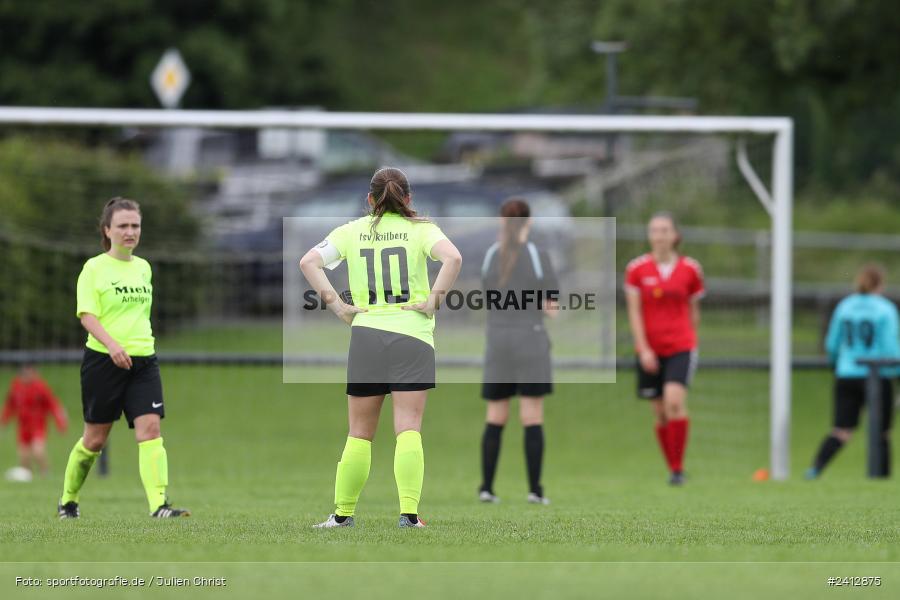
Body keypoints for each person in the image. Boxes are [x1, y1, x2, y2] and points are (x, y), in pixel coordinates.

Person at [299, 167, 461, 528]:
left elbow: (308, 261)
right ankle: (409, 516)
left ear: (370, 200)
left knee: (359, 432)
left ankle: (342, 515)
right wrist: (434, 301)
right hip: (412, 336)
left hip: (367, 336)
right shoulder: (422, 229)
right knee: (409, 428)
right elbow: (454, 258)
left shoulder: (352, 231)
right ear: (408, 198)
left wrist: (339, 307)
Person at [57, 197, 190, 519]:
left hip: (144, 362)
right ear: (107, 230)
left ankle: (159, 506)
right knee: (94, 440)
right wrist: (113, 345)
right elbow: (87, 315)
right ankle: (68, 500)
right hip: (104, 361)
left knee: (151, 430)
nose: (130, 232)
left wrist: (137, 345)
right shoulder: (94, 268)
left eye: (135, 225)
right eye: (123, 226)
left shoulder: (144, 268)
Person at [478, 199, 558, 505]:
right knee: (531, 417)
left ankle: (487, 488)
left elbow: (488, 300)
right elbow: (551, 309)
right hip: (530, 341)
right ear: (529, 222)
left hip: (498, 341)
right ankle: (535, 491)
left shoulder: (491, 256)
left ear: (502, 221)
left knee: (496, 416)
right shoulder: (538, 256)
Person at [625, 212, 704, 486]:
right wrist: (643, 348)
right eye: (654, 230)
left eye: (664, 230)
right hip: (650, 349)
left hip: (681, 346)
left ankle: (678, 469)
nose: (659, 236)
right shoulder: (637, 269)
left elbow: (694, 310)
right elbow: (634, 313)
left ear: (675, 235)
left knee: (674, 402)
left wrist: (690, 339)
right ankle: (672, 467)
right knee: (659, 411)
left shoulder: (690, 269)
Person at [806, 265, 900, 479]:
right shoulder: (885, 309)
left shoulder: (845, 306)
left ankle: (815, 469)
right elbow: (890, 347)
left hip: (847, 373)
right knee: (881, 432)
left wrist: (836, 364)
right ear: (880, 284)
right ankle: (880, 478)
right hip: (878, 375)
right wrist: (897, 370)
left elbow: (832, 343)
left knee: (841, 430)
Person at [1, 364, 68, 476]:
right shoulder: (16, 387)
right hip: (23, 426)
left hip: (37, 425)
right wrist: (3, 421)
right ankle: (28, 477)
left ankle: (45, 473)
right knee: (24, 456)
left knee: (38, 451)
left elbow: (53, 405)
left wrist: (61, 423)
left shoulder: (40, 387)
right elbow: (9, 406)